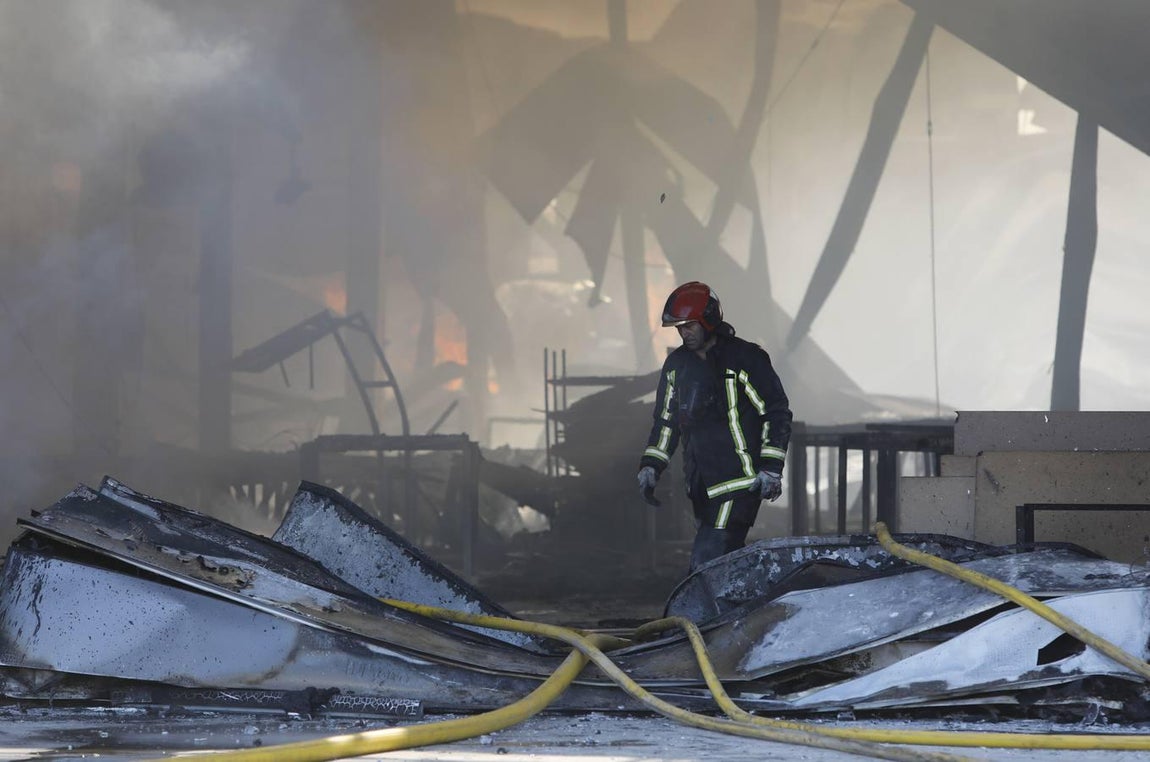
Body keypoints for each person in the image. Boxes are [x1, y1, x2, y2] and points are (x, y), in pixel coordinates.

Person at [637, 281, 792, 572]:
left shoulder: (745, 359)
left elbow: (775, 412)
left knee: (707, 561)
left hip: (740, 482)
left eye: (689, 326)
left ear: (708, 319)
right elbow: (667, 421)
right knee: (724, 563)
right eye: (679, 328)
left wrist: (771, 468)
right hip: (700, 485)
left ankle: (707, 602)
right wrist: (651, 464)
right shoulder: (677, 366)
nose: (684, 333)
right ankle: (745, 598)